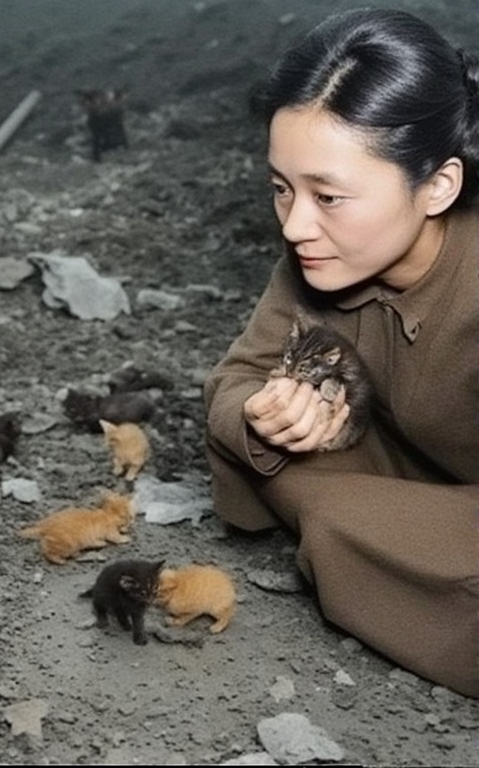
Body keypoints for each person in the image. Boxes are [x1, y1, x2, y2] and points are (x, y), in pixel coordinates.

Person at [204, 7, 478, 698]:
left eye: (329, 195)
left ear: (439, 185)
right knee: (266, 456)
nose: (296, 225)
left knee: (329, 515)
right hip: (422, 468)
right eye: (280, 189)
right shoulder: (321, 258)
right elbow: (234, 379)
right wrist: (264, 416)